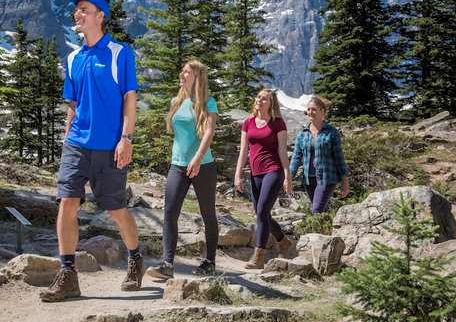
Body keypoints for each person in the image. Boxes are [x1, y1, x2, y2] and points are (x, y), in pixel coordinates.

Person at [40, 0, 144, 302]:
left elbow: (130, 99)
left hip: (110, 147)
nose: (78, 14)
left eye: (84, 10)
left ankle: (136, 258)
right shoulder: (73, 58)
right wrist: (67, 135)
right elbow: (73, 103)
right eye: (76, 10)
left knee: (115, 209)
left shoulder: (119, 53)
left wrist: (126, 138)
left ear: (101, 16)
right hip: (76, 144)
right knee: (67, 203)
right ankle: (68, 274)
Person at [146, 61, 219, 279]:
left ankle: (210, 261)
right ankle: (167, 263)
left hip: (203, 165)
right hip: (178, 165)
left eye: (186, 71)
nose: (182, 74)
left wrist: (197, 158)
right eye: (182, 70)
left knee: (208, 214)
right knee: (170, 212)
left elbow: (209, 131)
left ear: (197, 76)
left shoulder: (208, 102)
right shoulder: (175, 102)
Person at [234, 89, 295, 269]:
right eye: (258, 97)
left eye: (264, 98)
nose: (259, 100)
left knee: (261, 212)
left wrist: (287, 177)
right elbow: (243, 151)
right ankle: (284, 242)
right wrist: (238, 175)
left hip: (273, 171)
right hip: (255, 173)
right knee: (263, 214)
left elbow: (283, 152)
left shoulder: (278, 124)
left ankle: (258, 256)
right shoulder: (248, 123)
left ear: (271, 103)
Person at [289, 96, 349, 216]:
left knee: (316, 211)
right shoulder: (303, 134)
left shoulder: (331, 132)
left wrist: (345, 181)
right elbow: (296, 157)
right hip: (308, 179)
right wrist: (289, 178)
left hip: (327, 178)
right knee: (321, 210)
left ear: (322, 111)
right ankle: (327, 231)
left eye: (314, 109)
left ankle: (312, 233)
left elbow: (339, 157)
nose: (310, 112)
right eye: (309, 109)